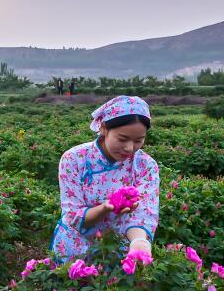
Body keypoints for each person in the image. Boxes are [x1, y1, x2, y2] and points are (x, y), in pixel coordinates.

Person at [50, 95, 158, 263]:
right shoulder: (74, 159)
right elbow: (73, 215)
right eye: (122, 139)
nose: (130, 148)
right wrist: (105, 208)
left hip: (117, 244)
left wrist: (138, 242)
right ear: (104, 128)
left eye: (139, 140)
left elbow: (144, 212)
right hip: (76, 245)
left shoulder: (146, 165)